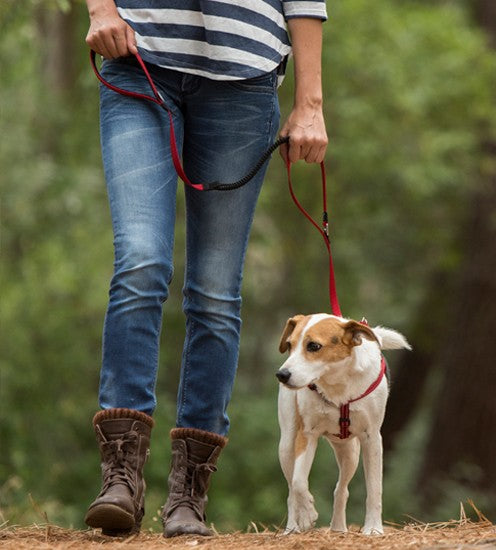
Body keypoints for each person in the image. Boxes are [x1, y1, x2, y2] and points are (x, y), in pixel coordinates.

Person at [83, 0, 328, 538]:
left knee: (215, 294)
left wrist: (309, 103)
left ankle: (188, 495)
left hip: (242, 80)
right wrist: (101, 8)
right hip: (140, 59)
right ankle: (120, 477)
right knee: (141, 263)